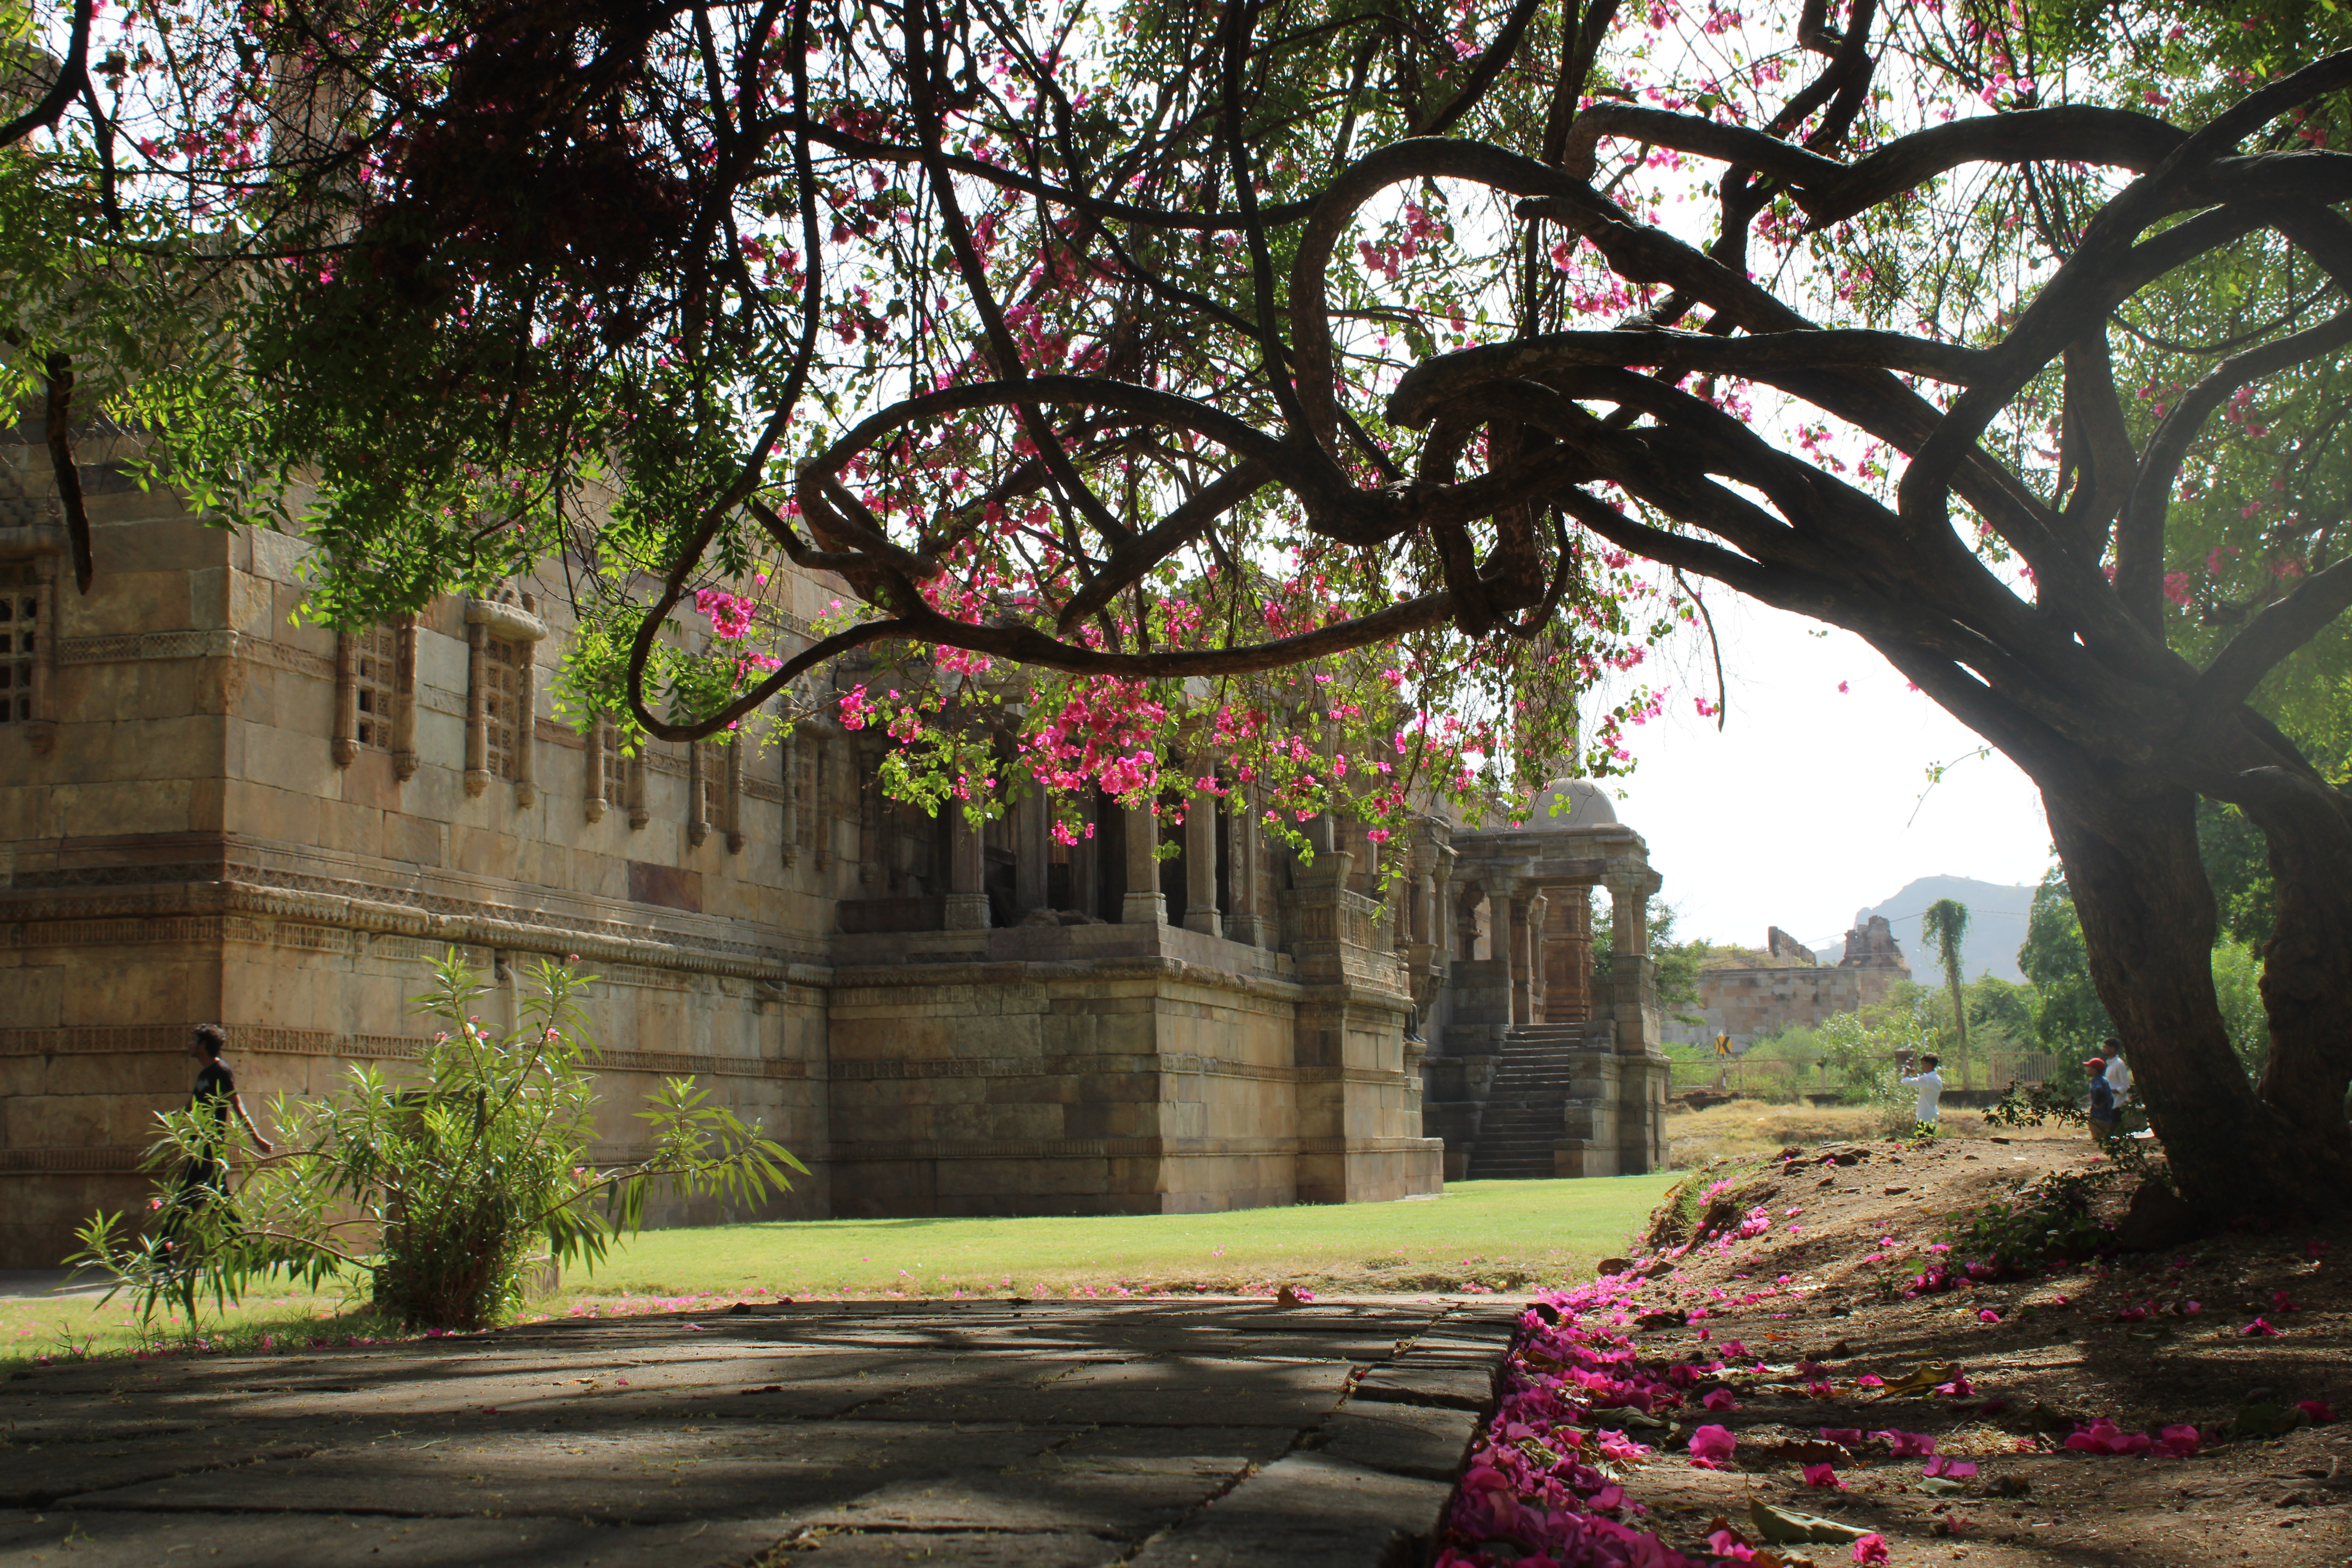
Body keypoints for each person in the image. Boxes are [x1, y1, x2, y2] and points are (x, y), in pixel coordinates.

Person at [163, 1025, 271, 1255]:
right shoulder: (204, 1074)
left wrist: (257, 1139)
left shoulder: (221, 1071)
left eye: (194, 1041)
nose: (190, 1045)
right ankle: (244, 1250)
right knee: (217, 1202)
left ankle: (161, 1255)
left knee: (189, 1200)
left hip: (210, 1149)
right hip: (198, 1146)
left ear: (203, 1045)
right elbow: (192, 1107)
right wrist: (173, 1120)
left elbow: (237, 1106)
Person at [1900, 1053, 1944, 1137]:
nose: (1922, 1066)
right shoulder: (1935, 1078)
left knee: (1924, 1145)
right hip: (1931, 1117)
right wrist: (1915, 1075)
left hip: (1925, 1119)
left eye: (1923, 1064)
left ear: (1929, 1064)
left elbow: (1906, 1082)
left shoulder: (1928, 1079)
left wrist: (1908, 1069)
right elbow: (1924, 1082)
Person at [2085, 1055, 2120, 1141]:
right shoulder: (2105, 1080)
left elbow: (2098, 1089)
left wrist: (2097, 1103)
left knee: (2098, 1142)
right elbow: (2111, 1098)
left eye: (2089, 1067)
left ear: (2095, 1070)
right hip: (2107, 1118)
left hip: (2098, 1118)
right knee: (2106, 1142)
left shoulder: (2096, 1080)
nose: (2087, 1069)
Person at [2102, 1040, 2131, 1105]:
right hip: (2111, 1105)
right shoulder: (2110, 1065)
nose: (2103, 1049)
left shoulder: (2120, 1064)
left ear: (2113, 1049)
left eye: (2106, 1047)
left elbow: (2126, 1087)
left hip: (2118, 1105)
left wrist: (2109, 1091)